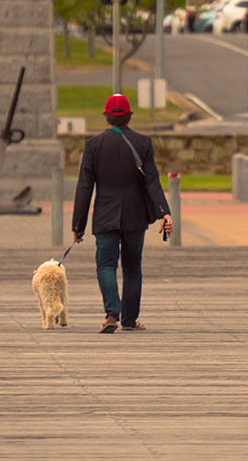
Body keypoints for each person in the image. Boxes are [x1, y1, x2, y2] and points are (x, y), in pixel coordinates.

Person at [73, 93, 172, 333]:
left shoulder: (94, 145)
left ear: (106, 117)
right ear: (129, 117)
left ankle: (111, 312)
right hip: (135, 216)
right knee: (132, 268)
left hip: (105, 214)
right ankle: (128, 319)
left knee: (106, 265)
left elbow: (85, 187)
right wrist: (164, 213)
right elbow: (152, 182)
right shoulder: (143, 143)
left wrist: (78, 225)